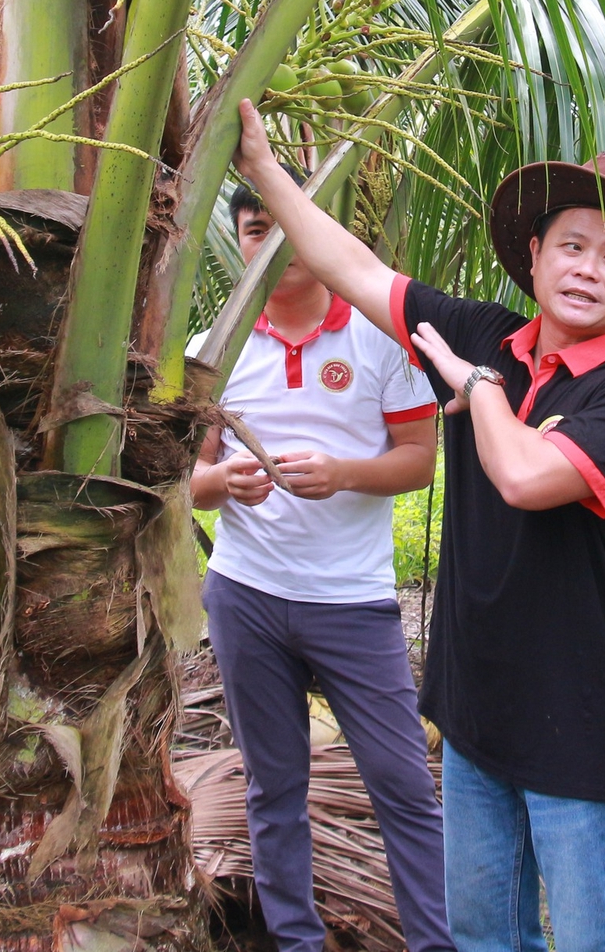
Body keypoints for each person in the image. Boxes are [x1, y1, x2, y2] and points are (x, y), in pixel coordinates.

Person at [231, 98, 605, 952]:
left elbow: (524, 477)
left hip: (583, 719)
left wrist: (476, 386)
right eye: (571, 246)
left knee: (593, 940)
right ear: (534, 255)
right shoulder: (487, 335)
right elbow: (353, 269)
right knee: (485, 936)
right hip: (475, 706)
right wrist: (266, 170)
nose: (587, 270)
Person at [190, 175, 452, 952]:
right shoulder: (214, 349)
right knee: (275, 788)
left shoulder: (379, 337)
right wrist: (219, 482)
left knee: (404, 786)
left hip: (352, 603)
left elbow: (417, 461)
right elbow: (189, 485)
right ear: (237, 246)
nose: (270, 242)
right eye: (251, 229)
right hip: (247, 597)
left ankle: (437, 941)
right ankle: (295, 943)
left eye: (284, 225)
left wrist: (342, 472)